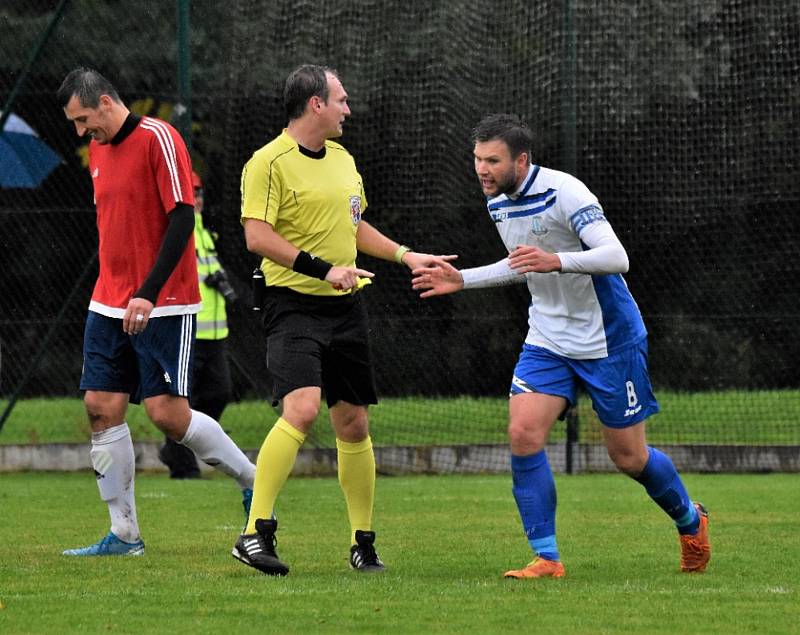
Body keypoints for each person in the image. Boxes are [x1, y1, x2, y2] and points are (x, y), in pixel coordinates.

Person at [411, 113, 711, 578]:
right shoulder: (498, 201)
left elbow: (617, 258)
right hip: (548, 337)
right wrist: (463, 279)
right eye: (477, 160)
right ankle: (547, 558)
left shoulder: (566, 192)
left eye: (492, 160)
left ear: (522, 160)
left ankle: (691, 520)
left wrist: (558, 261)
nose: (482, 170)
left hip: (608, 339)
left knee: (629, 458)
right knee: (522, 434)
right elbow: (524, 264)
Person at [234, 63, 454, 576]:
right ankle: (254, 533)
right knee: (303, 409)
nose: (347, 110)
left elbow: (354, 228)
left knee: (353, 422)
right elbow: (257, 237)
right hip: (292, 304)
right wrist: (322, 269)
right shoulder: (268, 162)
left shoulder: (343, 159)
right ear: (315, 104)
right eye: (341, 100)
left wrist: (406, 256)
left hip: (346, 306)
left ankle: (362, 543)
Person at [56, 67, 256, 556]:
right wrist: (121, 291)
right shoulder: (99, 151)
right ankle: (124, 534)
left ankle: (253, 479)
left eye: (84, 119)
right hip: (107, 300)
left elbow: (183, 216)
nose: (82, 132)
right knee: (100, 407)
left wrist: (146, 290)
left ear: (105, 101)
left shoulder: (158, 137)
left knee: (167, 415)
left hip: (163, 301)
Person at [158, 171, 237, 479]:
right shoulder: (177, 230)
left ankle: (180, 446)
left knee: (219, 392)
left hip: (215, 331)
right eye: (193, 193)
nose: (198, 199)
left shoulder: (204, 232)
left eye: (200, 193)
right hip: (188, 329)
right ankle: (181, 463)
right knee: (182, 399)